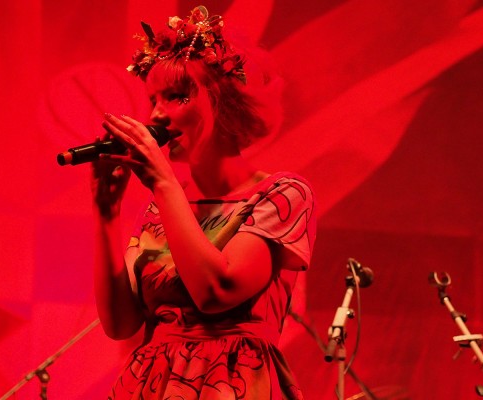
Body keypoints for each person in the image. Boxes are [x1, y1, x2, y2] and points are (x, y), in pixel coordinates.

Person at [91, 5, 316, 399]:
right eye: (153, 100)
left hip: (231, 383)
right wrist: (106, 215)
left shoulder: (282, 194)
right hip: (150, 385)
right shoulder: (163, 206)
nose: (157, 115)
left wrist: (163, 183)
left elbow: (217, 292)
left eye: (176, 97)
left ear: (223, 104)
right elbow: (119, 323)